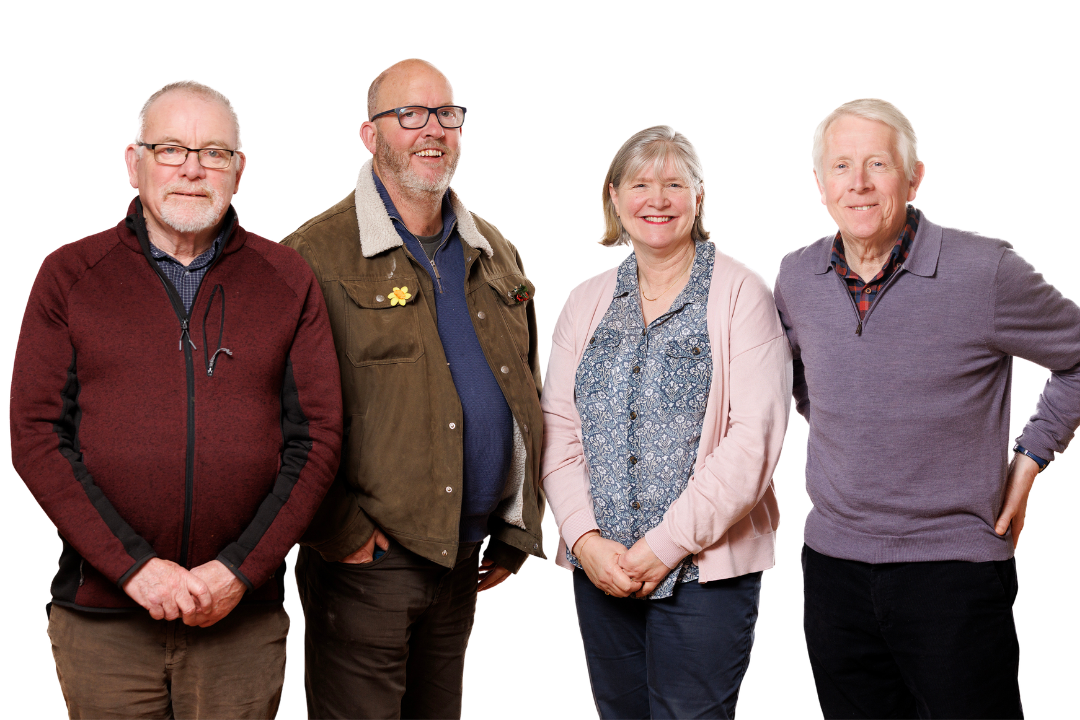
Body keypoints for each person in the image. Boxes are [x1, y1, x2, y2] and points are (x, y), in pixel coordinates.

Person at [9, 81, 342, 718]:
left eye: (214, 152)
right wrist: (134, 569)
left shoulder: (287, 279)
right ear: (134, 163)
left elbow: (319, 440)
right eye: (170, 149)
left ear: (238, 171)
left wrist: (238, 570)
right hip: (103, 620)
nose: (192, 169)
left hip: (241, 618)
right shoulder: (70, 276)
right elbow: (36, 436)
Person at [773, 98, 1080, 719]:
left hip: (953, 571)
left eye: (878, 164)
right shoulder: (797, 277)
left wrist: (1029, 459)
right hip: (833, 570)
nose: (858, 183)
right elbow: (799, 381)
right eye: (841, 166)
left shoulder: (985, 272)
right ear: (820, 185)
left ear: (913, 178)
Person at [282, 58, 545, 719]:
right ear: (370, 135)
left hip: (462, 557)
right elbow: (276, 416)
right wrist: (338, 529)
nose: (433, 130)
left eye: (446, 114)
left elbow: (525, 387)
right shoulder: (314, 256)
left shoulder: (494, 251)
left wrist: (516, 526)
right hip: (366, 567)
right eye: (410, 114)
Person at [540, 126, 792, 719]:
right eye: (640, 185)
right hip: (602, 572)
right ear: (614, 196)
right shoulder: (586, 301)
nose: (657, 199)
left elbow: (753, 440)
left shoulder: (741, 294)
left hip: (705, 577)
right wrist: (584, 541)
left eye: (675, 184)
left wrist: (663, 547)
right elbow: (557, 428)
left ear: (699, 197)